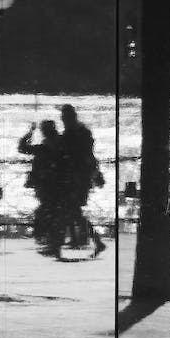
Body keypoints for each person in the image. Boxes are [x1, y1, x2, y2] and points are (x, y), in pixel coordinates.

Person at [59, 103, 106, 257]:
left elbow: (80, 155)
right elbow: (89, 155)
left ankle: (91, 240)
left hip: (76, 177)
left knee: (72, 209)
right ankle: (86, 239)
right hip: (80, 176)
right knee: (73, 209)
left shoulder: (72, 134)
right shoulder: (82, 132)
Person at [18, 119, 63, 254]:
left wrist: (30, 133)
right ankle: (50, 240)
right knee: (52, 212)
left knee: (45, 212)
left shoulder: (43, 149)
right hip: (56, 184)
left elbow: (22, 147)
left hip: (44, 184)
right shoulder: (60, 145)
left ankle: (47, 239)